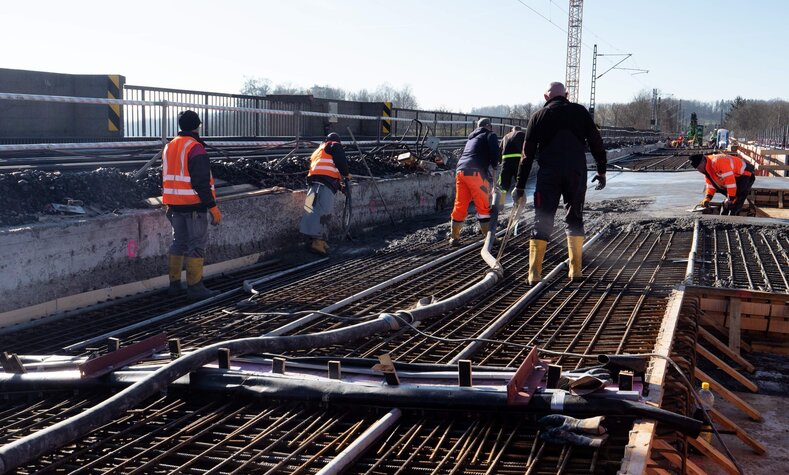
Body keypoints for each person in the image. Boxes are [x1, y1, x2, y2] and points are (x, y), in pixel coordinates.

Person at [512, 82, 607, 284]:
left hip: (549, 175)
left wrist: (520, 186)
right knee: (574, 218)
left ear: (546, 97)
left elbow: (526, 155)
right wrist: (601, 170)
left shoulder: (538, 116)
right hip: (576, 172)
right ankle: (576, 271)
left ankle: (534, 274)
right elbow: (596, 143)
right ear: (566, 94)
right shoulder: (580, 112)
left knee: (542, 219)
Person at [162, 110, 222, 301]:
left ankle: (174, 285)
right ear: (198, 126)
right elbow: (201, 182)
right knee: (196, 246)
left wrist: (170, 202)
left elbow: (165, 176)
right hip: (194, 206)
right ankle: (195, 287)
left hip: (174, 205)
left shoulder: (169, 146)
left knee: (178, 243)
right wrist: (213, 208)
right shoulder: (195, 147)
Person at [449, 118, 500, 246]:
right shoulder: (490, 135)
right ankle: (489, 239)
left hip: (460, 172)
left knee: (460, 204)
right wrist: (495, 165)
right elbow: (495, 153)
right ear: (488, 126)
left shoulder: (472, 138)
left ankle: (454, 237)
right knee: (483, 206)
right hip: (475, 173)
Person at [299, 132, 351, 255]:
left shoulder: (318, 151)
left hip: (313, 184)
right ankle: (318, 242)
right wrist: (346, 173)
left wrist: (340, 187)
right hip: (323, 186)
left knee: (310, 210)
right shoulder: (334, 145)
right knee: (323, 213)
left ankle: (314, 240)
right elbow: (340, 162)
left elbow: (324, 171)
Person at [689, 153, 755, 215]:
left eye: (699, 168)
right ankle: (727, 210)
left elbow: (730, 183)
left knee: (737, 198)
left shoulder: (717, 162)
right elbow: (711, 185)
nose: (700, 170)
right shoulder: (707, 168)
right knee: (724, 191)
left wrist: (730, 199)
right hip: (736, 176)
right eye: (698, 169)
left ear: (703, 161)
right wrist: (708, 198)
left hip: (745, 174)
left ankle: (733, 218)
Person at [498, 125, 526, 206]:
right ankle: (519, 202)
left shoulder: (506, 136)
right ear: (520, 129)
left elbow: (499, 150)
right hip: (518, 162)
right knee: (519, 182)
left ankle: (501, 203)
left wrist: (499, 161)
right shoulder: (522, 134)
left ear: (512, 130)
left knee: (504, 184)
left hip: (506, 162)